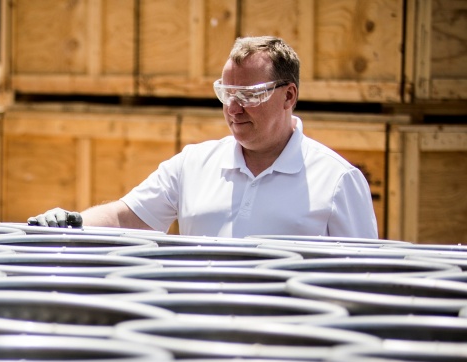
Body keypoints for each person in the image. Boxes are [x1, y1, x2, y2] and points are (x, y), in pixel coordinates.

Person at [28, 36, 378, 239]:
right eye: (227, 94)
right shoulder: (193, 165)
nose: (235, 109)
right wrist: (72, 222)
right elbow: (127, 217)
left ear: (289, 96)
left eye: (250, 95)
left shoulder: (337, 181)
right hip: (199, 333)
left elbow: (361, 277)